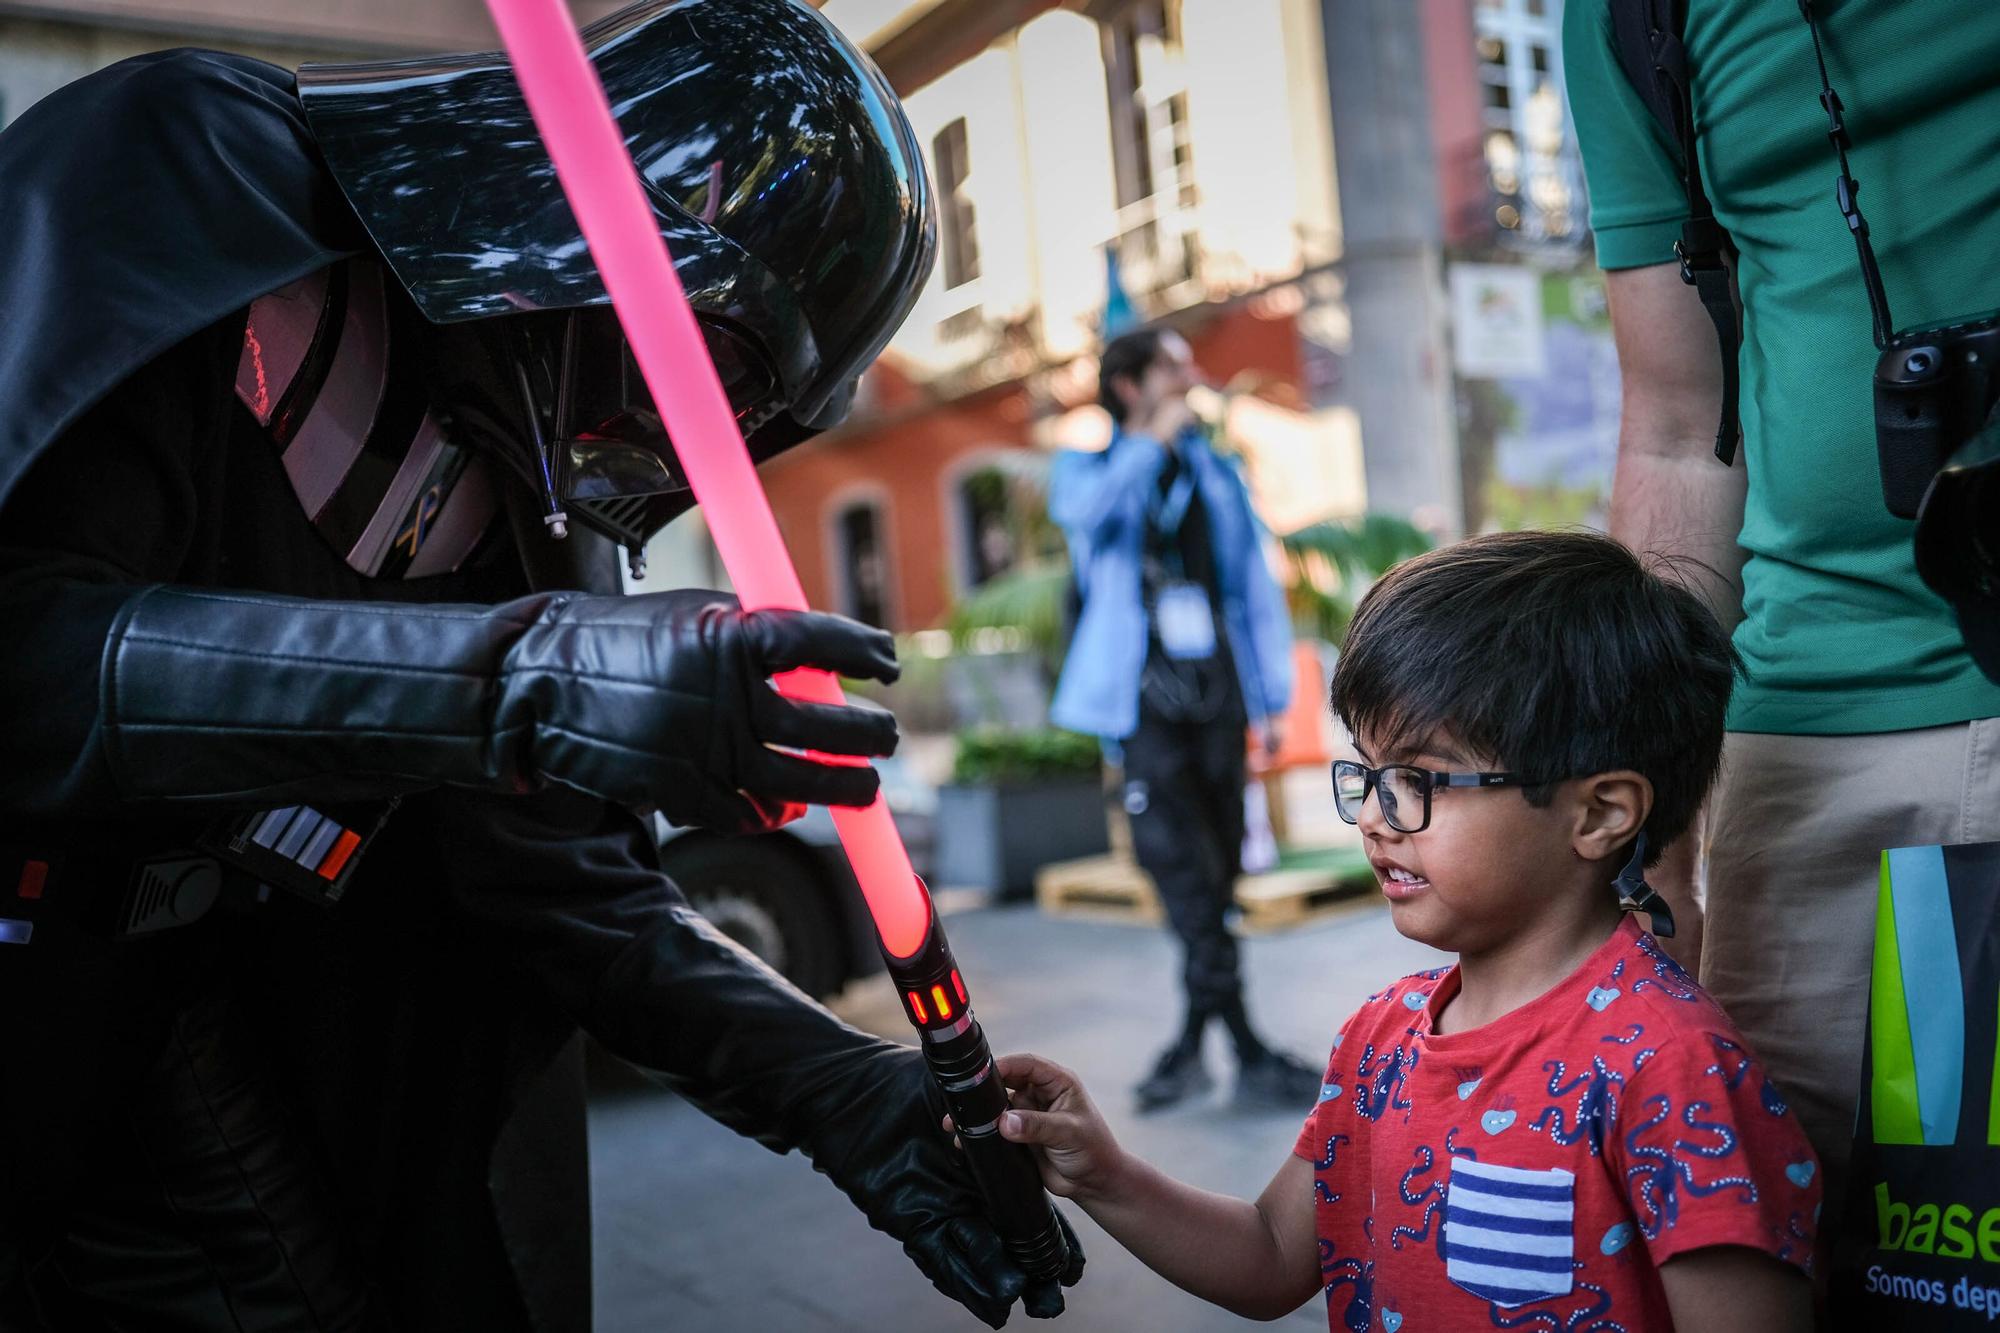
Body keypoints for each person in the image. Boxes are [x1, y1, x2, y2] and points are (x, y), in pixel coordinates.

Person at [0, 3, 1081, 1328]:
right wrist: (519, 683)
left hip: (241, 1038)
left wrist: (833, 1084)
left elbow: (555, 882)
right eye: (720, 364)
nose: (701, 436)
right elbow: (25, 658)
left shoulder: (532, 486)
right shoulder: (205, 168)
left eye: (755, 416)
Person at [975, 531, 1823, 1332]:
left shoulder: (1670, 1068)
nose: (1377, 818)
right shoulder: (1379, 1040)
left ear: (1599, 811)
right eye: (1370, 772)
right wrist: (1108, 1175)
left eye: (1419, 777)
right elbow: (1273, 1254)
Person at [1563, 0, 2000, 1212]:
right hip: (1809, 742)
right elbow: (1673, 437)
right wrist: (1653, 846)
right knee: (1811, 1243)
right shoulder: (1629, 18)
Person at [1047, 328, 1318, 1112]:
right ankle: (1243, 1046)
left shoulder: (1214, 469)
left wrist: (1269, 701)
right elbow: (1086, 518)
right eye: (1170, 364)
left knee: (1220, 864)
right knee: (1179, 868)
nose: (1190, 374)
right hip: (1143, 705)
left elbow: (1249, 588)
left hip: (1217, 693)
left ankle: (1200, 1046)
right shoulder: (1089, 466)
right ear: (1130, 385)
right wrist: (1145, 444)